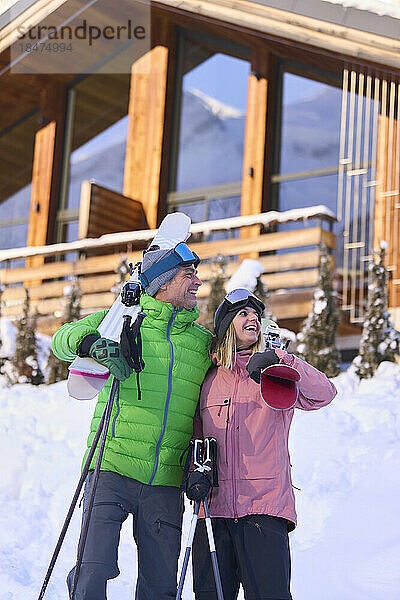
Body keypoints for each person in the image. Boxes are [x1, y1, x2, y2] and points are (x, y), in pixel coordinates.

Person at [51, 243, 212, 599]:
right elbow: (61, 339)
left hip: (166, 479)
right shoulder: (121, 319)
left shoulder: (203, 343)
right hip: (111, 466)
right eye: (189, 275)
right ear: (163, 283)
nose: (198, 282)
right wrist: (92, 343)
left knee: (160, 587)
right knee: (92, 572)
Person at [187, 288, 337, 600]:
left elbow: (324, 393)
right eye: (243, 313)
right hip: (212, 508)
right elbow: (196, 434)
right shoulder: (208, 378)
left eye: (256, 314)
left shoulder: (275, 370)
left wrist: (282, 359)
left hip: (263, 508)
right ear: (227, 323)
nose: (252, 318)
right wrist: (195, 472)